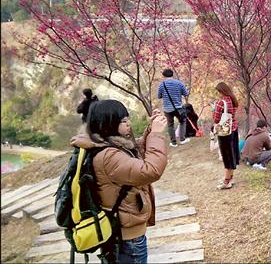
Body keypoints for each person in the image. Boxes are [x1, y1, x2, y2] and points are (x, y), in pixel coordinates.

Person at [70, 99, 168, 263]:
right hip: (127, 238)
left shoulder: (104, 144)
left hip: (121, 231)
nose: (128, 124)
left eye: (127, 119)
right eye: (123, 121)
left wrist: (151, 129)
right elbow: (151, 170)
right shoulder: (109, 156)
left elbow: (133, 152)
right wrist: (157, 134)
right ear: (109, 123)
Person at [212, 82, 239, 190]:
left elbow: (216, 119)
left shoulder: (220, 102)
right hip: (233, 129)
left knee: (226, 156)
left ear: (221, 91)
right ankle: (230, 178)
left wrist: (214, 110)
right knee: (232, 154)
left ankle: (226, 181)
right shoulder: (232, 100)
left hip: (224, 131)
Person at [157, 69, 190, 147]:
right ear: (172, 74)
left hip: (167, 109)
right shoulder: (179, 83)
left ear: (163, 76)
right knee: (182, 121)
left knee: (170, 125)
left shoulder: (162, 85)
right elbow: (186, 93)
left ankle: (173, 142)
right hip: (178, 107)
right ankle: (182, 139)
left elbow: (159, 96)